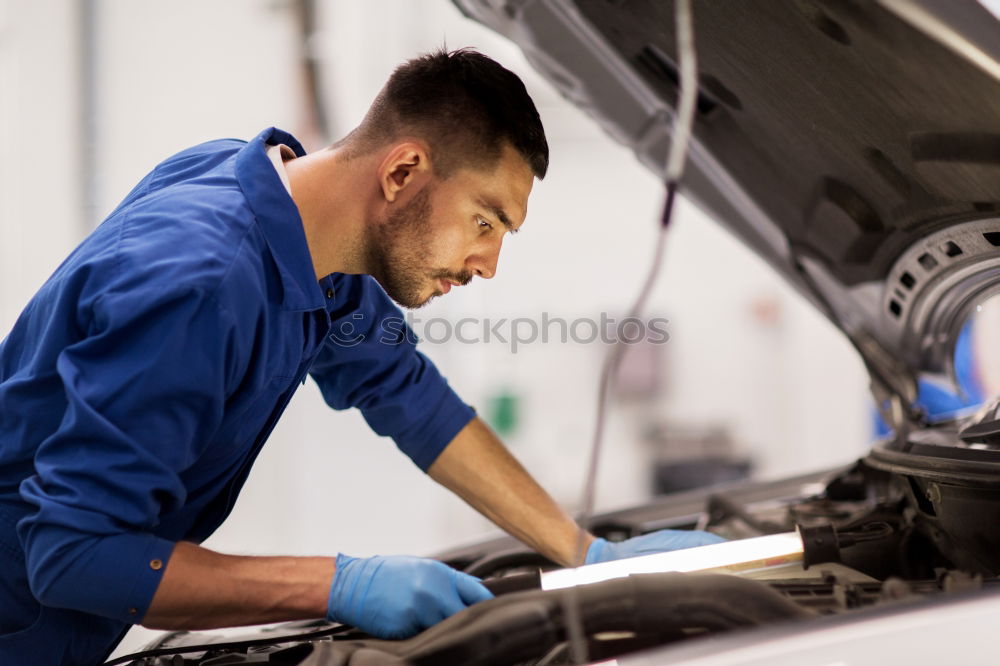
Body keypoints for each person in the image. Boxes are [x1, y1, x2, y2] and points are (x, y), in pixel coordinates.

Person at [0, 49, 721, 664]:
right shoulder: (201, 285)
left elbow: (409, 397)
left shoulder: (313, 248)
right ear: (402, 172)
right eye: (483, 220)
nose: (488, 263)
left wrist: (581, 552)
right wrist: (339, 584)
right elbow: (71, 554)